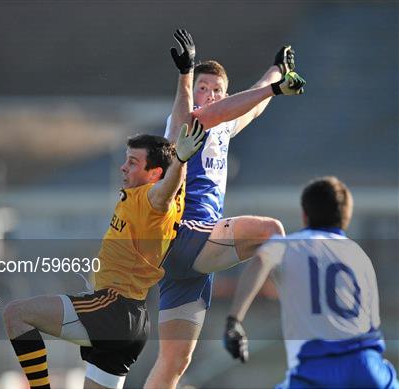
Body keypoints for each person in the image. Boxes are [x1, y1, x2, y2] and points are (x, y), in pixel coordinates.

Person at [145, 29, 306, 389]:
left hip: (190, 257)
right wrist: (185, 74)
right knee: (272, 232)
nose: (210, 95)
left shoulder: (224, 125)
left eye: (217, 90)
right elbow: (192, 106)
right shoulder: (186, 123)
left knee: (175, 361)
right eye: (204, 87)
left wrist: (275, 71)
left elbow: (253, 104)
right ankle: (244, 320)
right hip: (186, 234)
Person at [3, 121, 205, 389]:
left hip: (112, 308)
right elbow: (175, 146)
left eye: (132, 162)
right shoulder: (149, 190)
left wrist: (180, 160)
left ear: (154, 173)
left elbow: (164, 193)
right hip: (132, 319)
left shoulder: (152, 199)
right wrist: (184, 79)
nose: (123, 167)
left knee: (16, 314)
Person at [224, 176, 398, 388]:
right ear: (346, 217)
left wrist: (234, 320)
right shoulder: (359, 255)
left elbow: (261, 260)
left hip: (316, 369)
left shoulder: (289, 245)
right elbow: (371, 326)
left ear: (305, 215)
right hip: (367, 369)